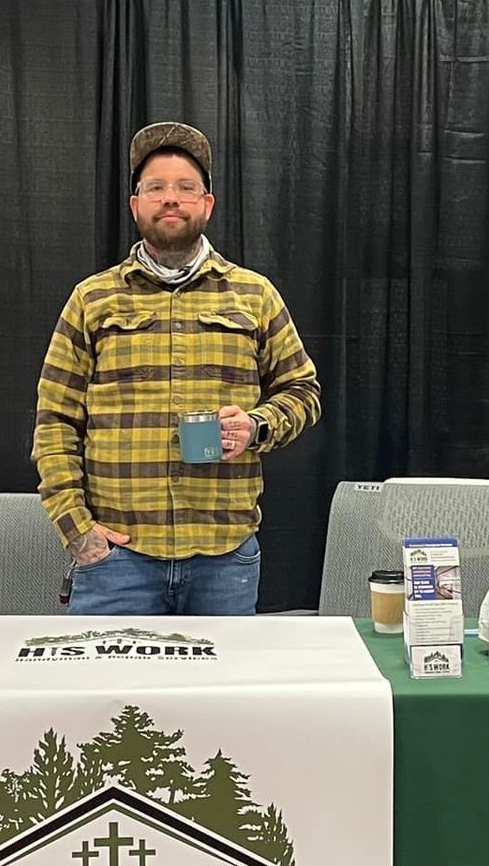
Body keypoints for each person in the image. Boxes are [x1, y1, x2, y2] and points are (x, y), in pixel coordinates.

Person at [33, 122, 321, 616]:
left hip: (224, 557)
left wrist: (256, 426)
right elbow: (55, 421)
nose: (172, 199)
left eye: (186, 188)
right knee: (107, 694)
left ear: (206, 205)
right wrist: (76, 530)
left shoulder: (254, 296)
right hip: (117, 561)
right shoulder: (92, 299)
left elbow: (303, 390)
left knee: (220, 696)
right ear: (135, 205)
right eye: (156, 188)